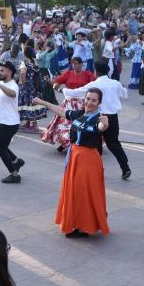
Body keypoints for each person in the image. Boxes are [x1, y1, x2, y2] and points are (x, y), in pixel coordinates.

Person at [31, 90, 110, 238]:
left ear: (99, 103)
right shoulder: (80, 114)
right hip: (75, 156)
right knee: (75, 190)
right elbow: (63, 112)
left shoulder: (98, 118)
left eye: (94, 100)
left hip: (88, 159)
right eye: (88, 99)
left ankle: (85, 226)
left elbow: (101, 128)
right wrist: (43, 102)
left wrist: (104, 125)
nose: (89, 102)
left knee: (84, 192)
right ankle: (77, 223)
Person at [61, 61, 132, 180]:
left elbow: (75, 92)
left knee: (95, 144)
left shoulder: (94, 85)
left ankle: (98, 170)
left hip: (97, 117)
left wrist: (62, 89)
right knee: (114, 143)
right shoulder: (115, 83)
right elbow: (125, 94)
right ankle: (125, 167)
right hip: (113, 117)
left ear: (96, 72)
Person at [41, 57, 95, 152]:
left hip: (82, 104)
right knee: (64, 124)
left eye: (77, 63)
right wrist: (50, 81)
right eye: (73, 63)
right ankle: (64, 143)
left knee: (80, 124)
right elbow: (56, 83)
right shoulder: (68, 74)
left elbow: (95, 84)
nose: (75, 65)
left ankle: (79, 143)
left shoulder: (87, 74)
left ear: (82, 64)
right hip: (68, 104)